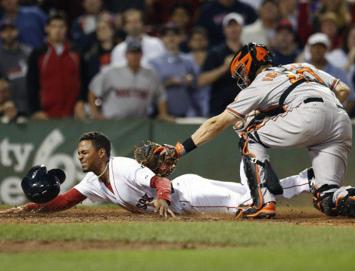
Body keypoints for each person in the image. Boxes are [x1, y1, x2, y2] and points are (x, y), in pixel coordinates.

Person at [155, 43, 355, 219]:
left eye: (241, 72)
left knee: (247, 130)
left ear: (251, 65)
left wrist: (180, 148)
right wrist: (324, 114)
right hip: (340, 119)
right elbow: (343, 90)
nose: (242, 78)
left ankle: (262, 203)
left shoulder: (261, 82)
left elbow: (218, 122)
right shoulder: (302, 67)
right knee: (327, 198)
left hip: (309, 114)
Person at [0, 132, 314, 217]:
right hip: (188, 188)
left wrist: (163, 198)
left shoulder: (121, 166)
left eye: (85, 151)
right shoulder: (93, 181)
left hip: (186, 198)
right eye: (79, 152)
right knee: (259, 194)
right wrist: (27, 209)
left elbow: (158, 182)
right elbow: (64, 200)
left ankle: (259, 163)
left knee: (253, 204)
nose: (79, 155)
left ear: (102, 153)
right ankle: (306, 179)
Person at [88, 39, 172, 121]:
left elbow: (161, 96)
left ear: (142, 55)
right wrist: (95, 113)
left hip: (140, 124)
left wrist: (163, 114)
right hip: (113, 122)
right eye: (131, 53)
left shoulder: (151, 74)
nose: (134, 56)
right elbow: (93, 90)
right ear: (125, 55)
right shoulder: (112, 72)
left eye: (137, 53)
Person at [27, 12, 85, 119]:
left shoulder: (76, 53)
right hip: (46, 116)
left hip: (73, 116)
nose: (58, 30)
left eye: (61, 26)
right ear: (47, 29)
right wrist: (36, 110)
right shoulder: (38, 54)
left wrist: (81, 101)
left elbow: (84, 80)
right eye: (54, 26)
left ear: (66, 29)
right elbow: (32, 85)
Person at [198, 13, 243, 116]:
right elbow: (201, 81)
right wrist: (224, 68)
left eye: (236, 25)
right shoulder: (215, 52)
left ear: (241, 28)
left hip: (243, 110)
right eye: (229, 26)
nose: (233, 29)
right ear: (224, 30)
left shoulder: (249, 53)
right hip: (219, 109)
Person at [149, 23, 199, 118]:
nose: (171, 38)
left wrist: (191, 80)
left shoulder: (189, 60)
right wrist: (169, 82)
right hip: (162, 113)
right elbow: (151, 89)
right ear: (162, 39)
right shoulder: (154, 62)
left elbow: (197, 84)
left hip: (186, 111)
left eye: (175, 34)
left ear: (180, 38)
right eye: (166, 35)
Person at [0, 19, 32, 116]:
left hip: (30, 107)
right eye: (5, 31)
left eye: (11, 30)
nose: (9, 34)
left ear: (17, 31)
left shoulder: (29, 52)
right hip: (8, 109)